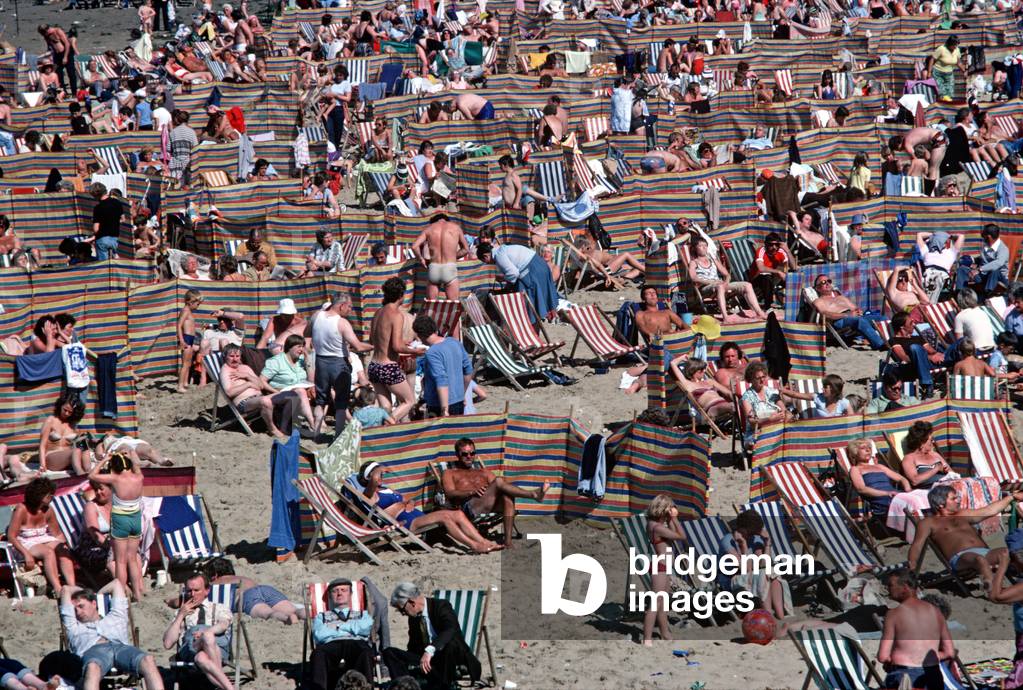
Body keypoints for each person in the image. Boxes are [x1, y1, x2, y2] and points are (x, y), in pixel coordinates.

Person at [354, 462, 501, 552]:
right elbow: (373, 480)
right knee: (444, 516)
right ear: (369, 477)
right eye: (378, 474)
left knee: (457, 514)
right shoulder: (370, 494)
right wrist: (378, 470)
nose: (381, 477)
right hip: (406, 523)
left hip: (417, 516)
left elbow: (408, 499)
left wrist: (409, 503)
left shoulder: (387, 489)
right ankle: (474, 545)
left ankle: (483, 541)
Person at [909, 484, 1022, 593]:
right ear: (941, 504)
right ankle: (991, 592)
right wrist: (912, 566)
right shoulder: (928, 523)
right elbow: (917, 545)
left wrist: (1011, 497)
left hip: (986, 553)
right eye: (953, 499)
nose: (958, 500)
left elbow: (989, 510)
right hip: (960, 558)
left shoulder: (962, 514)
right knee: (980, 560)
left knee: (1011, 553)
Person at [440, 437, 550, 548]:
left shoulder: (483, 472)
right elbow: (450, 493)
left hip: (489, 505)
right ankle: (533, 494)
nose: (469, 457)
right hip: (470, 507)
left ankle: (508, 543)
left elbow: (501, 486)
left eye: (472, 453)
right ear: (457, 455)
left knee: (507, 496)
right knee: (498, 481)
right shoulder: (450, 473)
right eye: (465, 454)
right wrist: (471, 492)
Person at [62, 583, 165, 690]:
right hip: (94, 652)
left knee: (148, 660)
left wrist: (94, 594)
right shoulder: (74, 627)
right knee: (92, 668)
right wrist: (84, 591)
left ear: (94, 603)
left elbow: (116, 584)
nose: (78, 612)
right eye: (74, 609)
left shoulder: (116, 616)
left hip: (120, 648)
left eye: (81, 606)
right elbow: (65, 589)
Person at [383, 582, 483, 688]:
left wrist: (430, 650)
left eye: (402, 609)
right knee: (389, 652)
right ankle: (405, 686)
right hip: (428, 663)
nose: (403, 613)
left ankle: (445, 686)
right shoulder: (414, 618)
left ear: (412, 602)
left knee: (450, 645)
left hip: (448, 658)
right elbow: (413, 646)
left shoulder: (441, 606)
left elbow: (450, 630)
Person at [877, 569, 954, 690]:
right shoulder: (936, 612)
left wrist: (897, 657)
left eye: (891, 585)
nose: (888, 589)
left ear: (905, 587)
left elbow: (882, 656)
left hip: (904, 675)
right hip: (933, 675)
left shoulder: (894, 614)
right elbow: (949, 652)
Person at [310, 293, 373, 436]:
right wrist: (374, 346)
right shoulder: (342, 323)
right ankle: (338, 435)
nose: (350, 310)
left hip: (320, 361)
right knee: (341, 402)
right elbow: (357, 346)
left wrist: (310, 351)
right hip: (338, 363)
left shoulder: (316, 316)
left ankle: (316, 433)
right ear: (342, 305)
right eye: (349, 306)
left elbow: (307, 334)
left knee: (320, 401)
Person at [719, 509, 790, 633]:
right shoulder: (728, 541)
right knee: (762, 574)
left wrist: (767, 543)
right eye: (752, 532)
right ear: (743, 529)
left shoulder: (755, 539)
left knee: (772, 572)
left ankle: (781, 616)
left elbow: (764, 564)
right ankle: (769, 618)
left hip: (752, 577)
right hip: (732, 580)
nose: (754, 535)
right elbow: (744, 569)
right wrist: (743, 545)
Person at [87, 453, 145, 601]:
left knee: (120, 561)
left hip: (121, 519)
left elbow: (92, 476)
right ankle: (138, 594)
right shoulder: (139, 477)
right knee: (132, 558)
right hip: (136, 518)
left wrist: (104, 460)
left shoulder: (115, 479)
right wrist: (132, 456)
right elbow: (137, 467)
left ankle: (120, 595)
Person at [162, 573, 235, 690]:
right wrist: (180, 615)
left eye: (196, 590)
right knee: (207, 637)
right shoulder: (181, 613)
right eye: (189, 591)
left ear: (207, 591)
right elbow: (167, 643)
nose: (192, 594)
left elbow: (223, 624)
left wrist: (206, 633)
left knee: (202, 656)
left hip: (217, 648)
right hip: (190, 650)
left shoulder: (219, 608)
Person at [7, 477, 76, 596]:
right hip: (24, 542)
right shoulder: (21, 509)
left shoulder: (48, 510)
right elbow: (11, 536)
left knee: (62, 549)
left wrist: (66, 546)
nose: (52, 497)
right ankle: (58, 588)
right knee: (48, 552)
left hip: (43, 538)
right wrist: (26, 554)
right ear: (39, 495)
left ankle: (72, 586)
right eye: (49, 495)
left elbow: (57, 534)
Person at [367, 278, 424, 423]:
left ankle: (385, 434)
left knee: (386, 406)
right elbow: (397, 347)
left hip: (374, 366)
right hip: (388, 366)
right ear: (401, 295)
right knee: (408, 401)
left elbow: (373, 341)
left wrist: (403, 343)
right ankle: (389, 423)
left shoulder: (378, 313)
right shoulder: (396, 315)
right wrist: (416, 352)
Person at [219, 344, 297, 440]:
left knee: (292, 395)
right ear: (225, 356)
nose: (235, 359)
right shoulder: (225, 370)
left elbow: (260, 385)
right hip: (244, 403)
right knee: (265, 401)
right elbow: (229, 392)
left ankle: (283, 427)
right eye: (231, 356)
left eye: (237, 356)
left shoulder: (245, 368)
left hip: (259, 397)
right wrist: (248, 384)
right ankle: (272, 429)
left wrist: (247, 376)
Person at [307, 578, 374, 690]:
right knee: (318, 653)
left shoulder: (362, 614)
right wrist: (353, 627)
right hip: (331, 645)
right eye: (335, 591)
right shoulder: (321, 616)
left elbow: (365, 629)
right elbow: (319, 635)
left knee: (366, 651)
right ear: (329, 596)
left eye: (343, 590)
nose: (339, 593)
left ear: (351, 594)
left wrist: (338, 627)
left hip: (355, 643)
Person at [200, 557, 304, 624]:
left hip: (248, 596)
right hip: (264, 588)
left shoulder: (214, 584)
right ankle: (304, 614)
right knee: (294, 610)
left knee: (269, 613)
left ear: (215, 575)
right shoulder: (243, 578)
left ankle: (286, 619)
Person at [476, 242, 560, 323]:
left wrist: (503, 278)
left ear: (486, 256)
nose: (487, 263)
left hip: (533, 269)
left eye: (484, 261)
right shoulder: (502, 249)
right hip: (539, 264)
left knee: (526, 303)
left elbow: (513, 273)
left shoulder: (499, 255)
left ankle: (529, 323)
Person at [688, 236, 767, 321]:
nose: (704, 248)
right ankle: (725, 317)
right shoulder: (694, 262)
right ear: (695, 248)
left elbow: (727, 274)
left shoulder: (713, 260)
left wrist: (726, 282)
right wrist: (711, 282)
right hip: (706, 287)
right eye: (700, 246)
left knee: (747, 285)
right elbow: (693, 278)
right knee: (720, 286)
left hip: (720, 284)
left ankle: (759, 313)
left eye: (705, 245)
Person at [643, 494, 686, 646]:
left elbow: (674, 536)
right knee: (655, 603)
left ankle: (665, 633)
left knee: (662, 603)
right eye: (669, 508)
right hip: (660, 566)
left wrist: (670, 520)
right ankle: (647, 638)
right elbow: (681, 536)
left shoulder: (655, 525)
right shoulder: (658, 528)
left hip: (664, 567)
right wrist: (674, 519)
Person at [414, 314, 474, 417]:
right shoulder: (455, 343)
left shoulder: (432, 353)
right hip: (458, 400)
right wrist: (462, 393)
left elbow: (441, 380)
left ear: (420, 335)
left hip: (439, 404)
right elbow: (468, 371)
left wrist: (444, 410)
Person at [811, 274, 886, 349]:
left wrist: (858, 311)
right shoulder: (819, 301)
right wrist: (847, 315)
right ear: (817, 288)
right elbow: (825, 314)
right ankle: (880, 345)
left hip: (853, 317)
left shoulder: (841, 298)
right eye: (823, 282)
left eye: (829, 281)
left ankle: (891, 341)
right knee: (860, 321)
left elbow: (855, 308)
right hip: (838, 321)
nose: (827, 283)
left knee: (882, 318)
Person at [260, 334, 316, 431]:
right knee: (299, 392)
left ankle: (320, 421)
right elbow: (261, 380)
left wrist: (307, 360)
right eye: (299, 346)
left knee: (314, 389)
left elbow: (311, 381)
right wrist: (275, 392)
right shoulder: (276, 361)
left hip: (300, 391)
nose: (301, 349)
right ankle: (312, 423)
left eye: (303, 346)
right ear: (289, 347)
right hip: (280, 390)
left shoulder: (301, 361)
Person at [846, 437, 913, 517]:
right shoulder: (855, 469)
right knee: (908, 504)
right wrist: (887, 493)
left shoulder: (880, 467)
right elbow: (861, 489)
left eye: (869, 448)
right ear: (855, 452)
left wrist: (908, 490)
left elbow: (902, 479)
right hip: (880, 501)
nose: (868, 450)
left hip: (895, 495)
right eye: (863, 448)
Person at [412, 213, 469, 301]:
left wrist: (421, 259)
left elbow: (414, 246)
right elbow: (466, 249)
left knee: (431, 306)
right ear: (446, 220)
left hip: (434, 268)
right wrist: (453, 256)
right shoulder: (456, 228)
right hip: (450, 268)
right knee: (453, 305)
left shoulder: (429, 228)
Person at [887, 312, 944, 397]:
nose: (914, 324)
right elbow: (904, 358)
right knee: (915, 348)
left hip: (931, 363)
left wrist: (938, 355)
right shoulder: (894, 340)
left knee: (959, 344)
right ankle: (928, 384)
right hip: (914, 366)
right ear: (902, 327)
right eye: (910, 323)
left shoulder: (917, 338)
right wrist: (929, 357)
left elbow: (932, 351)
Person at [668, 356, 734, 426]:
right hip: (711, 410)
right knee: (733, 407)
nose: (704, 371)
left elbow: (728, 393)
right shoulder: (688, 384)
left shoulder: (710, 381)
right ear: (694, 371)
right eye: (701, 370)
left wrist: (738, 399)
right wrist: (682, 357)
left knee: (738, 405)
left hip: (725, 405)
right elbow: (673, 363)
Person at [38, 391, 88, 474]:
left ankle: (88, 471)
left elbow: (79, 444)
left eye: (70, 412)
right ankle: (80, 475)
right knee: (76, 451)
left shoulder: (73, 425)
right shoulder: (51, 420)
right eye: (65, 410)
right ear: (60, 406)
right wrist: (42, 464)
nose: (66, 413)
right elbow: (42, 445)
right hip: (52, 457)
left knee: (84, 450)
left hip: (68, 458)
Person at [956, 223, 1008, 298]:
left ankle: (987, 296)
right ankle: (960, 295)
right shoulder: (985, 246)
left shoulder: (1003, 249)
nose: (982, 237)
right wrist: (971, 261)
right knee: (962, 269)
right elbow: (982, 259)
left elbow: (998, 263)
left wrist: (979, 269)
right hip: (982, 276)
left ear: (988, 237)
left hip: (997, 278)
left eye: (983, 235)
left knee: (995, 270)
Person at [900, 421, 954, 489]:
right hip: (932, 491)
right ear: (922, 442)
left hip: (950, 485)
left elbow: (953, 474)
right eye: (931, 440)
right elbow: (915, 480)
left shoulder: (935, 455)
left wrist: (947, 471)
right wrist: (936, 468)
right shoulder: (909, 458)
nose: (933, 442)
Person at [750, 232, 797, 309]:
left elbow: (794, 267)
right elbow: (761, 268)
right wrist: (778, 272)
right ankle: (768, 306)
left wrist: (787, 250)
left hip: (771, 279)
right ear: (766, 244)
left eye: (776, 245)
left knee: (793, 275)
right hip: (756, 280)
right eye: (771, 245)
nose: (774, 247)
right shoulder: (761, 250)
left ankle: (793, 304)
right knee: (767, 276)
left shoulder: (780, 252)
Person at [916, 231, 964, 303]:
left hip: (936, 279)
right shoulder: (950, 253)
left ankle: (930, 303)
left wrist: (934, 235)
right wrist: (949, 236)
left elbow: (919, 235)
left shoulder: (926, 252)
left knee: (935, 280)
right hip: (932, 278)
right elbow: (961, 236)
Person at [86, 182, 123, 261]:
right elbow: (123, 219)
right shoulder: (117, 203)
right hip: (114, 239)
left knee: (104, 266)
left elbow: (96, 229)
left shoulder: (98, 208)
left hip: (102, 239)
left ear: (96, 195)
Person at [928, 35, 963, 102]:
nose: (955, 47)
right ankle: (942, 104)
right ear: (949, 44)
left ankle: (947, 105)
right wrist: (929, 72)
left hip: (949, 73)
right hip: (938, 73)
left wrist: (964, 71)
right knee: (942, 91)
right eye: (954, 45)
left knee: (950, 91)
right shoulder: (942, 49)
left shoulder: (957, 50)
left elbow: (959, 63)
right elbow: (932, 59)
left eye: (957, 45)